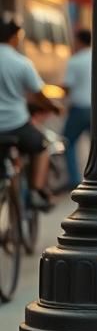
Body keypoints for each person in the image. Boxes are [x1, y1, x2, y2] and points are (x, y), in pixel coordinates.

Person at [0, 14, 61, 210]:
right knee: (42, 146)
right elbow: (38, 94)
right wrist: (53, 107)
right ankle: (35, 191)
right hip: (15, 124)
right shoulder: (21, 63)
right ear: (14, 37)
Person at [62, 28, 92, 189]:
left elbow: (67, 87)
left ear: (80, 41)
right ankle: (96, 176)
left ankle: (74, 178)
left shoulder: (75, 61)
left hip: (79, 108)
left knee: (68, 142)